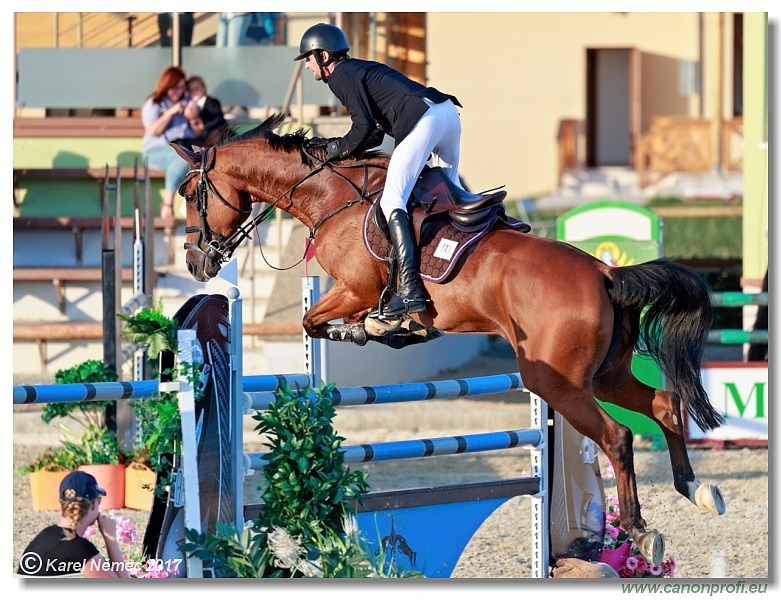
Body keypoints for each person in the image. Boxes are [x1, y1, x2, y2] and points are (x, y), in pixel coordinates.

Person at [295, 23, 464, 317]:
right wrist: (338, 145)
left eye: (308, 58)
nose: (307, 66)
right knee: (448, 197)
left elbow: (363, 127)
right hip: (446, 113)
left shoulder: (341, 76)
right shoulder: (357, 68)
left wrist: (333, 150)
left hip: (423, 120)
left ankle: (410, 290)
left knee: (392, 201)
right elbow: (372, 133)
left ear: (323, 55)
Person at [17, 471, 130, 578]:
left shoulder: (46, 534)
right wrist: (110, 538)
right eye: (99, 500)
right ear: (93, 504)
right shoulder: (79, 548)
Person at [142, 65, 204, 221]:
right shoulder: (155, 103)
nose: (179, 91)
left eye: (182, 88)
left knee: (205, 159)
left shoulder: (187, 102)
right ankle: (168, 204)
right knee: (182, 157)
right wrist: (171, 112)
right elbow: (152, 131)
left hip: (185, 147)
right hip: (155, 152)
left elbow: (199, 132)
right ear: (167, 85)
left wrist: (194, 118)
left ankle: (192, 203)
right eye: (175, 87)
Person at [187, 75, 228, 146]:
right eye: (191, 90)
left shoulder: (211, 102)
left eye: (196, 89)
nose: (194, 92)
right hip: (202, 139)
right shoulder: (189, 104)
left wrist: (204, 126)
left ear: (204, 88)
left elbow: (219, 118)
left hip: (217, 137)